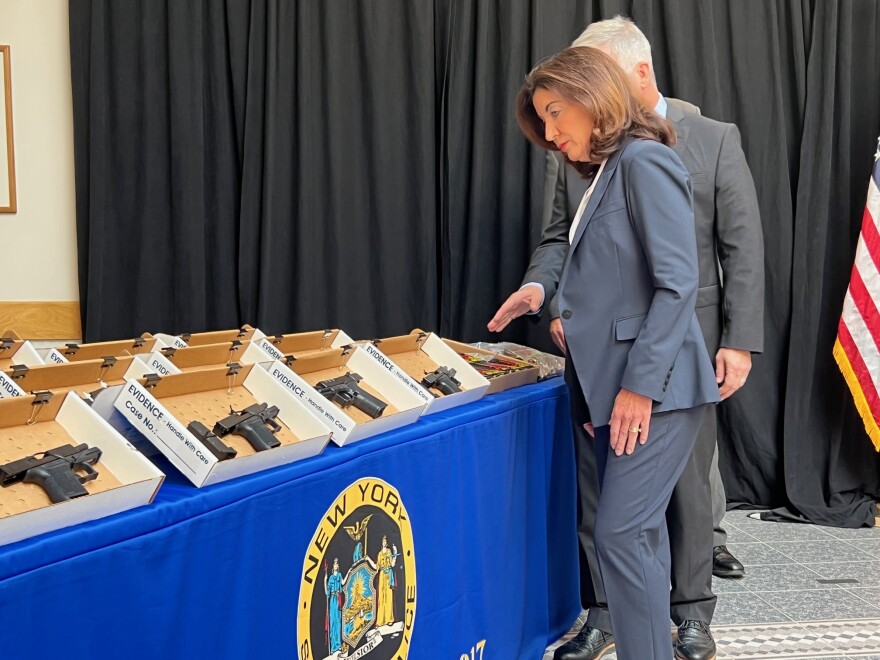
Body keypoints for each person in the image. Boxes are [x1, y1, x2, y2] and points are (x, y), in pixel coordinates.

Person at [507, 17, 765, 660]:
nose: (549, 131)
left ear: (598, 95)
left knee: (623, 536)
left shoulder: (645, 161)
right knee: (636, 537)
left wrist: (635, 392)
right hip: (616, 385)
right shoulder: (606, 167)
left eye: (556, 112)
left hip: (659, 388)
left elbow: (677, 285)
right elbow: (601, 278)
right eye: (542, 118)